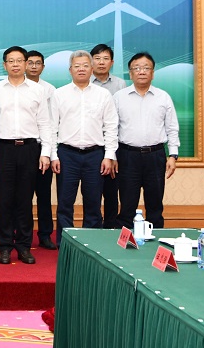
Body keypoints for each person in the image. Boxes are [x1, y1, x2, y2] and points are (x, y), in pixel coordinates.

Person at [0, 46, 52, 264]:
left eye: (19, 60)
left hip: (30, 149)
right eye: (11, 61)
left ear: (26, 64)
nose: (15, 64)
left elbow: (45, 123)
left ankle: (24, 246)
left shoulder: (38, 91)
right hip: (3, 149)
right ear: (4, 64)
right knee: (4, 200)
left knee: (25, 200)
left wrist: (46, 153)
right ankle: (5, 246)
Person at [51, 50, 119, 244]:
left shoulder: (103, 95)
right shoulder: (59, 94)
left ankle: (93, 244)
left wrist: (109, 155)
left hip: (95, 155)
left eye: (85, 65)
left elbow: (111, 126)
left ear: (91, 68)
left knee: (93, 203)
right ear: (70, 70)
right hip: (67, 154)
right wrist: (53, 155)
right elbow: (51, 127)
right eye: (77, 66)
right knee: (65, 203)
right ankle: (66, 244)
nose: (81, 69)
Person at [113, 52, 180, 229]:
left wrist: (173, 155)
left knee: (155, 204)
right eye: (137, 68)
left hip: (155, 156)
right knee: (127, 204)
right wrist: (112, 155)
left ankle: (155, 239)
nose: (141, 71)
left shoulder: (163, 97)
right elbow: (112, 129)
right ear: (130, 73)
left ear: (153, 73)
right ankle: (125, 241)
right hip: (127, 156)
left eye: (146, 68)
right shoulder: (119, 97)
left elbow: (172, 128)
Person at [25, 50, 58, 250]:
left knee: (44, 195)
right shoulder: (16, 87)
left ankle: (45, 235)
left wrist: (50, 153)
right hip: (24, 148)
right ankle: (24, 235)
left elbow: (52, 124)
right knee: (23, 195)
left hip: (42, 147)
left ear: (43, 67)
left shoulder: (50, 90)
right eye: (30, 62)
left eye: (38, 63)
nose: (34, 66)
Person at [90, 43, 125, 229]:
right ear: (91, 61)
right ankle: (94, 227)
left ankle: (111, 226)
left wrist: (113, 153)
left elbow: (120, 118)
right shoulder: (85, 83)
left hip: (113, 144)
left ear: (111, 62)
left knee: (112, 190)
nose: (101, 62)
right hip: (92, 144)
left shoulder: (120, 84)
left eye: (105, 59)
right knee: (93, 190)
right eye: (97, 58)